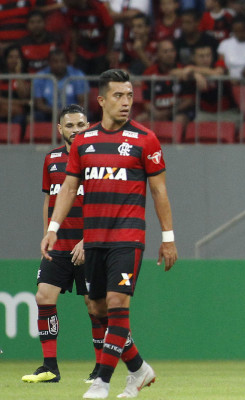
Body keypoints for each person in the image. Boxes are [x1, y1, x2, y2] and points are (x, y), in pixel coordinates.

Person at [40, 69, 178, 399]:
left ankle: (102, 381)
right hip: (95, 238)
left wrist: (168, 237)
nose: (126, 102)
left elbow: (159, 192)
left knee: (117, 303)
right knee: (98, 308)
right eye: (118, 96)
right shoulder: (85, 141)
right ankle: (139, 369)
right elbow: (69, 188)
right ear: (101, 100)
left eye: (129, 96)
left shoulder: (145, 139)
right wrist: (53, 229)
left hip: (128, 236)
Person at [21, 105, 104, 384]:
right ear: (60, 129)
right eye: (70, 125)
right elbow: (49, 199)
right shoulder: (52, 159)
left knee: (95, 308)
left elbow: (104, 206)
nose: (76, 130)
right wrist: (48, 234)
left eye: (80, 124)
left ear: (88, 125)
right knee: (43, 297)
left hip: (88, 247)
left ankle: (101, 369)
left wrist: (88, 240)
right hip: (58, 247)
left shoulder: (98, 160)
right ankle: (49, 367)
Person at [33, 49, 88, 122]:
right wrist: (54, 111)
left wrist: (68, 112)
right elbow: (39, 104)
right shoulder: (40, 77)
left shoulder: (77, 75)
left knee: (86, 115)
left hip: (73, 113)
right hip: (49, 113)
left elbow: (83, 102)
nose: (59, 64)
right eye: (55, 61)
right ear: (49, 63)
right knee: (36, 116)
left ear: (66, 62)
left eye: (62, 61)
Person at [65, 0, 115, 76]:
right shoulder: (71, 10)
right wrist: (74, 53)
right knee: (80, 77)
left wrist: (109, 52)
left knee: (98, 78)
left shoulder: (99, 7)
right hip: (83, 50)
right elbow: (74, 31)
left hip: (99, 49)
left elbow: (111, 29)